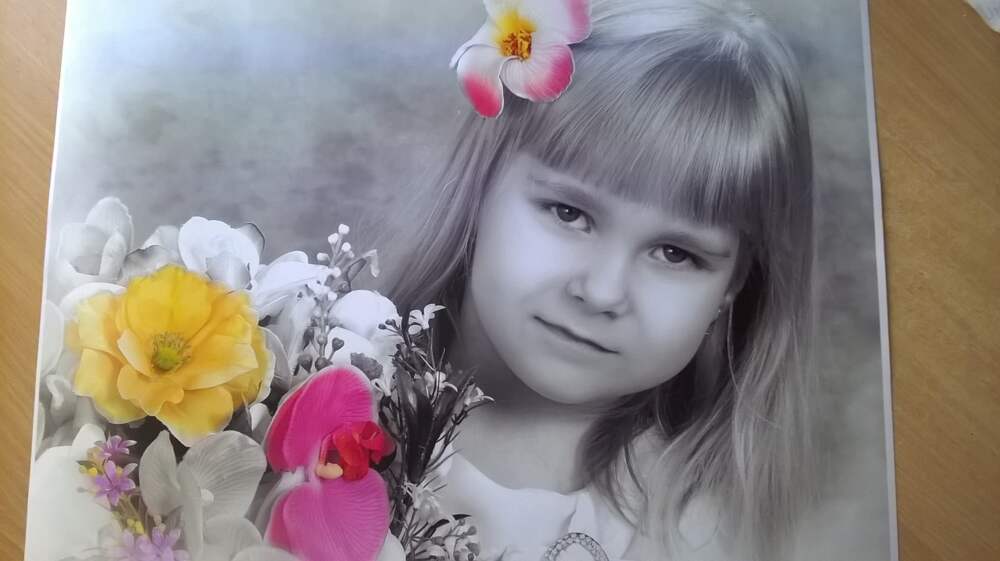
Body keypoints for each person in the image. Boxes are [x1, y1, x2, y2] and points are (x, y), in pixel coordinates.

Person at [383, 0, 815, 558]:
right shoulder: (307, 376)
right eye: (569, 213)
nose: (603, 292)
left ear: (734, 285)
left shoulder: (696, 537)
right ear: (480, 183)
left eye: (675, 253)